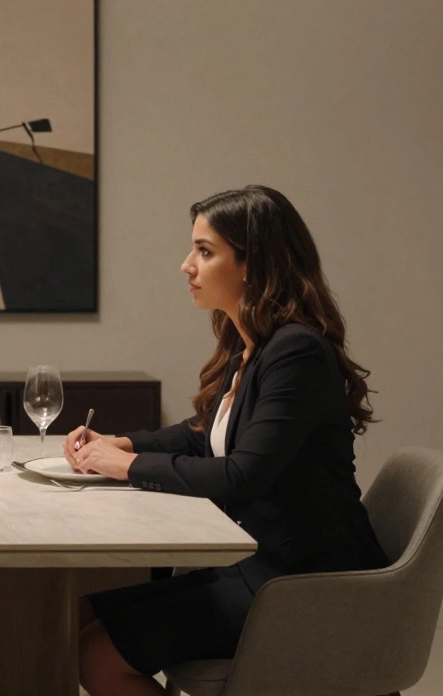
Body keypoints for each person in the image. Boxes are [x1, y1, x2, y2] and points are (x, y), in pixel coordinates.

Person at [63, 186, 389, 696]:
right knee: (70, 617)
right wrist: (122, 443)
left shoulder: (295, 351)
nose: (186, 265)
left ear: (252, 264)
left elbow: (241, 476)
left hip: (304, 583)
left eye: (205, 251)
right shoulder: (252, 342)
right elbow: (204, 438)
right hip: (259, 565)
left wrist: (124, 467)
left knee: (98, 655)